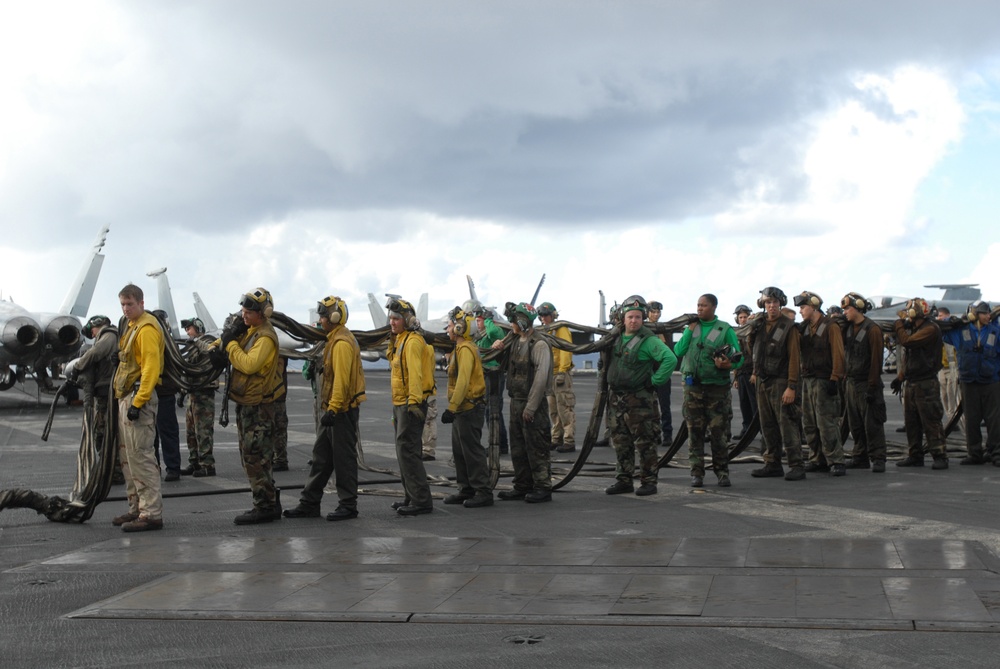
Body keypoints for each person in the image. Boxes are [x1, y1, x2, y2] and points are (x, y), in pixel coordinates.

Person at [284, 296, 366, 521]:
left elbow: (341, 380)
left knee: (344, 460)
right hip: (333, 410)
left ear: (335, 317)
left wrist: (333, 409)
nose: (320, 320)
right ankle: (309, 503)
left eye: (323, 315)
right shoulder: (333, 339)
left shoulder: (341, 343)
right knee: (321, 458)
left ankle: (348, 505)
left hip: (341, 411)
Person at [219, 288, 287, 524]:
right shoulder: (252, 332)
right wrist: (227, 339)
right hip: (248, 404)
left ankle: (265, 506)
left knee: (256, 457)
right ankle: (267, 500)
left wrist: (230, 346)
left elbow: (249, 365)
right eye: (243, 311)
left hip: (259, 407)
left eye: (249, 312)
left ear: (263, 312)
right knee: (251, 456)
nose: (244, 315)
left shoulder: (265, 337)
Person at [604, 296, 678, 496]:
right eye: (630, 317)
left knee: (645, 442)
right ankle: (624, 480)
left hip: (639, 400)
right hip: (617, 399)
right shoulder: (615, 337)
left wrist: (655, 381)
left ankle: (648, 481)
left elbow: (669, 358)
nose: (634, 321)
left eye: (638, 317)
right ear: (623, 318)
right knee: (621, 442)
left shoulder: (648, 340)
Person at [111, 283, 166, 532]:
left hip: (137, 401)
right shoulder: (132, 327)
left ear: (141, 303)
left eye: (130, 304)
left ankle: (151, 513)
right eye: (123, 304)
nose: (125, 309)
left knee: (141, 457)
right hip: (128, 397)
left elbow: (151, 369)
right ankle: (137, 508)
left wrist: (138, 401)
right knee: (128, 458)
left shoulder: (146, 329)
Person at [674, 294, 742, 487]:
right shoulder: (692, 328)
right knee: (694, 432)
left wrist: (728, 364)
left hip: (717, 389)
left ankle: (722, 472)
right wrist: (689, 331)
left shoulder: (724, 329)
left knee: (718, 433)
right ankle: (696, 473)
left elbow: (739, 357)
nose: (699, 309)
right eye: (698, 305)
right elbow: (678, 352)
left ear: (713, 307)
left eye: (703, 305)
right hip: (693, 388)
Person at [492, 302, 554, 503]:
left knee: (536, 446)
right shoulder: (515, 341)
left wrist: (531, 407)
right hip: (516, 401)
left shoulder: (539, 344)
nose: (511, 324)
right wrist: (498, 347)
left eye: (514, 320)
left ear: (522, 321)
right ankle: (522, 485)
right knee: (518, 447)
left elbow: (541, 378)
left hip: (531, 404)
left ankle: (543, 486)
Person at [749, 287, 806, 481]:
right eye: (768, 303)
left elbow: (794, 358)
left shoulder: (789, 326)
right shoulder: (758, 325)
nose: (771, 306)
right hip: (763, 382)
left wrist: (791, 386)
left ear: (780, 304)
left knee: (787, 424)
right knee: (767, 425)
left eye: (774, 303)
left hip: (781, 382)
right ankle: (772, 463)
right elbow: (752, 350)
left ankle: (796, 464)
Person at [385, 297, 434, 516]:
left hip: (409, 405)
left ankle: (421, 500)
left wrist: (414, 402)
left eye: (396, 318)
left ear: (407, 319)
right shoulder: (400, 340)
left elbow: (416, 374)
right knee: (403, 452)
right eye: (391, 318)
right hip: (400, 404)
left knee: (409, 452)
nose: (392, 322)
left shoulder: (412, 341)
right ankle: (411, 496)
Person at [441, 306, 492, 508]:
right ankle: (466, 489)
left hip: (469, 407)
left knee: (472, 451)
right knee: (460, 451)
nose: (448, 329)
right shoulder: (459, 349)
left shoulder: (466, 350)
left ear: (460, 328)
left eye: (451, 326)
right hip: (462, 408)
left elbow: (463, 382)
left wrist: (451, 408)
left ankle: (483, 491)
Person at [794, 291, 848, 477]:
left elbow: (838, 353)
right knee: (809, 422)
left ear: (814, 306)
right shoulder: (805, 328)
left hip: (825, 380)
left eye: (803, 307)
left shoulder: (830, 326)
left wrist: (835, 377)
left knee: (827, 422)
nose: (800, 311)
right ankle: (817, 458)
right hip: (808, 380)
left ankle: (836, 460)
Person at [892, 298, 949, 470]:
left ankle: (940, 456)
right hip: (912, 382)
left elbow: (908, 343)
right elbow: (909, 357)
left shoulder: (930, 329)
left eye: (908, 310)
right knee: (912, 422)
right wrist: (900, 378)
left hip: (926, 383)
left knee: (931, 421)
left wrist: (899, 326)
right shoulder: (917, 329)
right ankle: (915, 455)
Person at [66, 314, 123, 484]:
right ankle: (111, 470)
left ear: (97, 326)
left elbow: (96, 353)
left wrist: (77, 367)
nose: (92, 335)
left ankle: (115, 472)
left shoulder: (109, 335)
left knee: (104, 433)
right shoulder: (110, 336)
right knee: (104, 432)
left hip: (108, 392)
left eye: (92, 331)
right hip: (104, 391)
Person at [942, 300, 1000, 466]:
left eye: (989, 313)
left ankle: (996, 453)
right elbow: (943, 327)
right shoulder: (961, 331)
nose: (988, 316)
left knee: (994, 420)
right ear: (974, 314)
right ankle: (974, 454)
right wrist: (960, 319)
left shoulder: (995, 331)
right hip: (969, 382)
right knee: (972, 420)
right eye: (984, 313)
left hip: (991, 382)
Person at [840, 293, 888, 472]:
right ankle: (860, 456)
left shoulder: (872, 329)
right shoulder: (849, 328)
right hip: (851, 382)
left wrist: (872, 385)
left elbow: (876, 360)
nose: (845, 312)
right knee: (855, 424)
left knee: (873, 423)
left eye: (847, 308)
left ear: (858, 308)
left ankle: (878, 458)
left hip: (866, 383)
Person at [179, 317, 217, 477]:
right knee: (191, 431)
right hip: (192, 393)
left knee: (203, 431)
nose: (187, 331)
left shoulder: (207, 342)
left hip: (204, 393)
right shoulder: (192, 346)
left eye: (190, 328)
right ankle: (194, 462)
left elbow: (209, 350)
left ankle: (207, 465)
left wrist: (195, 343)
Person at [537, 302, 576, 453]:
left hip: (560, 374)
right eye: (541, 316)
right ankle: (556, 438)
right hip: (549, 374)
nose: (543, 318)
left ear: (552, 315)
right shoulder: (545, 330)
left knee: (564, 408)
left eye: (546, 315)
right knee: (553, 410)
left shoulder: (561, 328)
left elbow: (566, 349)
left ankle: (569, 440)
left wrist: (562, 371)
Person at [149, 310, 182, 482]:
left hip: (163, 393)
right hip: (153, 392)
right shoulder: (153, 339)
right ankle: (162, 468)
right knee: (152, 434)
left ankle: (171, 468)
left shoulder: (167, 344)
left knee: (165, 432)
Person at [474, 306, 509, 454]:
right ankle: (499, 444)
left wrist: (488, 320)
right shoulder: (481, 335)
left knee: (493, 411)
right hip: (485, 374)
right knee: (489, 410)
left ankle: (499, 445)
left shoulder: (495, 330)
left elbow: (494, 332)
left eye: (480, 320)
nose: (478, 323)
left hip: (494, 375)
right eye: (477, 320)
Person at [647, 300, 674, 445]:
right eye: (653, 311)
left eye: (658, 312)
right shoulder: (644, 328)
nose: (656, 314)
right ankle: (654, 434)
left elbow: (670, 350)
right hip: (648, 373)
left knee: (665, 406)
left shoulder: (664, 330)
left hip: (662, 373)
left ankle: (667, 434)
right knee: (649, 406)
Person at [732, 305, 758, 440]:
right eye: (740, 317)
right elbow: (735, 356)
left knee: (755, 404)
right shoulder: (737, 334)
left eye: (745, 317)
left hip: (751, 373)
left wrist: (755, 373)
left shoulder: (753, 332)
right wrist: (735, 377)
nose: (743, 320)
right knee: (744, 403)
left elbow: (756, 355)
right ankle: (746, 429)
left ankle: (759, 430)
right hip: (741, 373)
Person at [936, 307, 962, 431]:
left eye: (941, 315)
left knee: (952, 395)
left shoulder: (953, 329)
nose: (939, 318)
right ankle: (950, 418)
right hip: (942, 368)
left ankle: (953, 420)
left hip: (953, 368)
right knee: (944, 396)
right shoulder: (939, 330)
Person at [421, 336, 439, 461]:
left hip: (426, 389)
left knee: (428, 420)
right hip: (423, 389)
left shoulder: (426, 348)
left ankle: (428, 450)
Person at [271, 357, 290, 471]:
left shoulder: (279, 354)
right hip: (277, 395)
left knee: (278, 428)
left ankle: (280, 459)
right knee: (279, 429)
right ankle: (279, 458)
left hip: (276, 396)